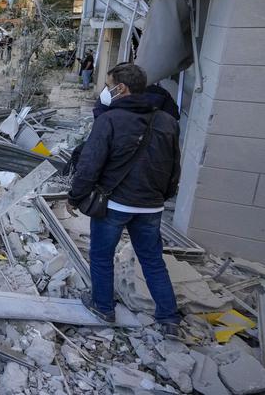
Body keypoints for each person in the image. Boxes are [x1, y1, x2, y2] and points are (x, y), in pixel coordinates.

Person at [68, 63, 182, 336]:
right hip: (152, 206)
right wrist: (162, 197)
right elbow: (174, 166)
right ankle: (169, 320)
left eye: (108, 85)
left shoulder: (109, 120)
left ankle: (103, 307)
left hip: (114, 204)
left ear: (122, 88)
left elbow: (90, 164)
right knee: (153, 261)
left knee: (101, 256)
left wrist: (76, 196)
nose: (105, 91)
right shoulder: (167, 121)